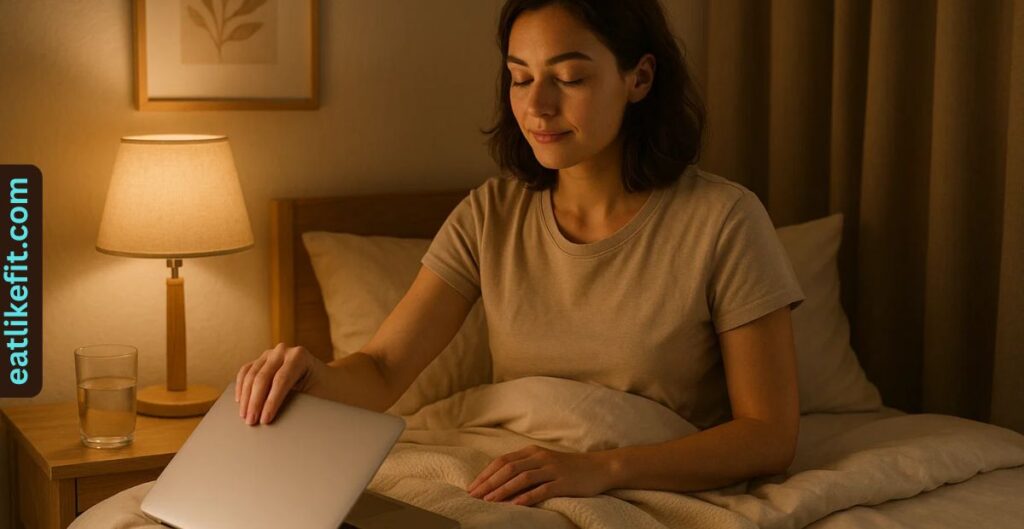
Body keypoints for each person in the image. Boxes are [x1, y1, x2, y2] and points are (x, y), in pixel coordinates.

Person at [235, 0, 804, 509]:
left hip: (639, 476)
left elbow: (769, 435)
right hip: (508, 467)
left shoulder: (724, 220)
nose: (537, 105)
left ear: (640, 77)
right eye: (519, 78)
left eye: (570, 77)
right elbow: (383, 369)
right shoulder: (490, 215)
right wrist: (314, 376)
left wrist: (599, 470)